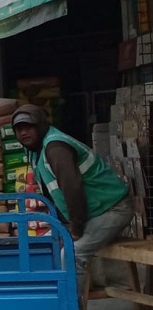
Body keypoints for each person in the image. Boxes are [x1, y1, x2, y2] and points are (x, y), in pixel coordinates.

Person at [11, 104, 133, 298]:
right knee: (47, 245)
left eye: (29, 127)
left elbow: (72, 188)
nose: (24, 133)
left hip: (114, 209)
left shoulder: (55, 147)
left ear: (41, 126)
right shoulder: (36, 150)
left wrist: (75, 228)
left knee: (72, 253)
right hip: (94, 212)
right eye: (19, 129)